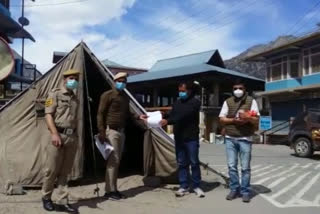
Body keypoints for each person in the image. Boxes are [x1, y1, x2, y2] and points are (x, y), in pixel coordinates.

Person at [97, 72, 147, 200]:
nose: (122, 83)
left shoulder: (125, 96)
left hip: (121, 131)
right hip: (111, 131)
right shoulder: (107, 95)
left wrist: (138, 116)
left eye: (124, 81)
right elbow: (100, 114)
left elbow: (129, 113)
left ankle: (113, 189)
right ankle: (109, 191)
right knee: (113, 161)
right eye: (120, 80)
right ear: (114, 81)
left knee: (116, 160)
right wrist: (102, 132)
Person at [41, 69, 80, 213]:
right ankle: (46, 197)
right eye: (71, 78)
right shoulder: (55, 94)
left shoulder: (76, 98)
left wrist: (76, 136)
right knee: (51, 170)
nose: (74, 80)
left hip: (72, 137)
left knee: (65, 171)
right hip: (57, 135)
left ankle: (63, 200)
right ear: (64, 79)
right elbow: (48, 115)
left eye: (76, 78)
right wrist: (54, 133)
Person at [160, 81, 205, 198]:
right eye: (179, 91)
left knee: (194, 162)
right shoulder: (177, 103)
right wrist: (161, 115)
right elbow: (172, 114)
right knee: (181, 163)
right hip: (179, 137)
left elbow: (184, 115)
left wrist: (168, 121)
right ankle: (183, 186)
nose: (181, 93)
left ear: (189, 91)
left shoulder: (195, 103)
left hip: (191, 138)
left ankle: (196, 186)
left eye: (183, 91)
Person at [219, 79, 260, 203]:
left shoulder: (251, 101)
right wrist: (233, 121)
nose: (238, 91)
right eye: (235, 88)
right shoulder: (228, 102)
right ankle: (234, 189)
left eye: (240, 88)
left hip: (245, 139)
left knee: (245, 167)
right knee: (232, 166)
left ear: (245, 89)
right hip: (230, 138)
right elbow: (221, 118)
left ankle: (245, 191)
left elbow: (256, 120)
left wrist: (248, 117)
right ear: (232, 89)